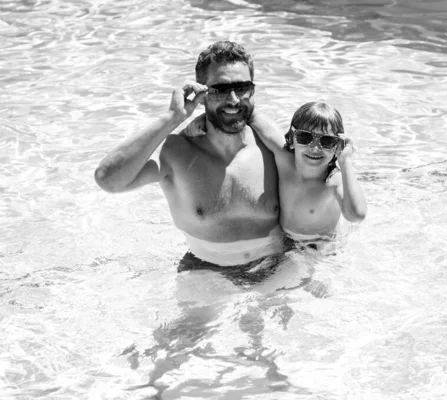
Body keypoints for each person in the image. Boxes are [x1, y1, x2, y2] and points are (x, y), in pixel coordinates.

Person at [94, 41, 285, 268]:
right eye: (220, 90)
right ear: (201, 94)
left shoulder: (271, 147)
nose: (233, 99)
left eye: (242, 87)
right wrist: (173, 117)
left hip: (273, 266)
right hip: (205, 271)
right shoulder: (177, 152)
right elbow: (108, 180)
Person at [187, 102, 367, 243]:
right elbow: (249, 113)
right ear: (292, 139)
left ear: (337, 147)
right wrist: (208, 120)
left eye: (327, 141)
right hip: (285, 242)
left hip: (320, 247)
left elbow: (356, 216)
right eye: (305, 137)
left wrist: (346, 161)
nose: (315, 147)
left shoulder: (332, 181)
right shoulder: (284, 158)